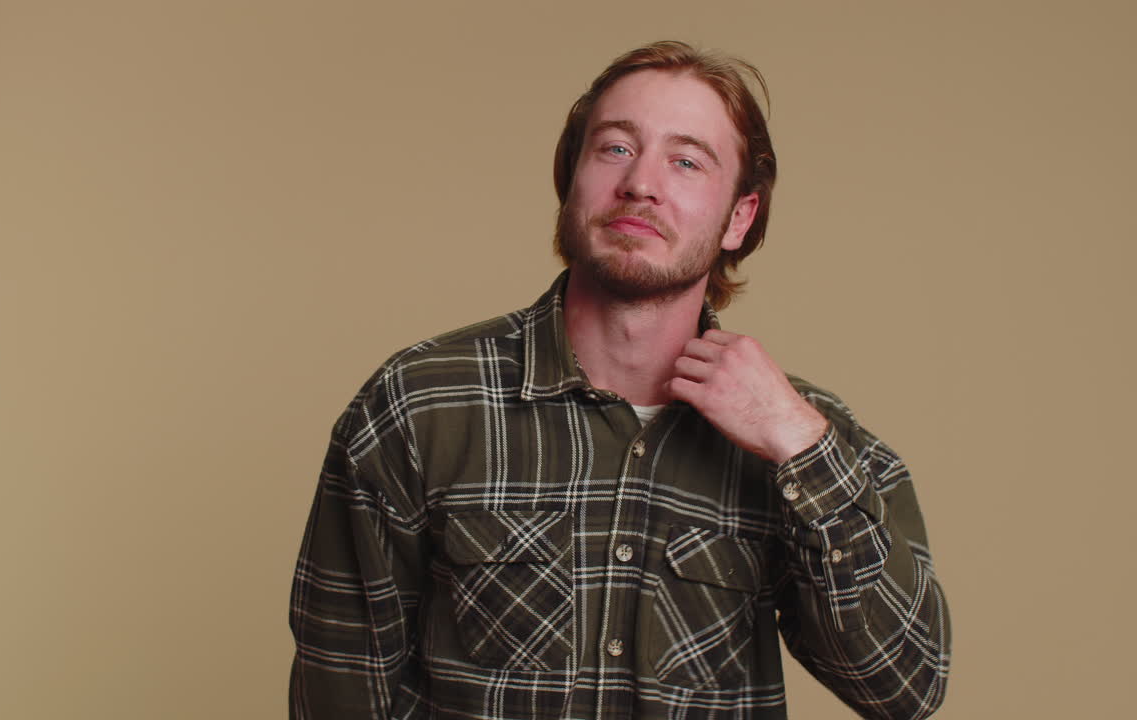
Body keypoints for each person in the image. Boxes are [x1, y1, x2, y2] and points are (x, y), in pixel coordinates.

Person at [289, 40, 950, 719]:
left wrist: (800, 448)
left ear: (740, 216)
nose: (641, 182)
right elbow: (341, 689)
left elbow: (906, 689)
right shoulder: (419, 404)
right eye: (614, 148)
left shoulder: (811, 439)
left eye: (687, 161)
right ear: (571, 175)